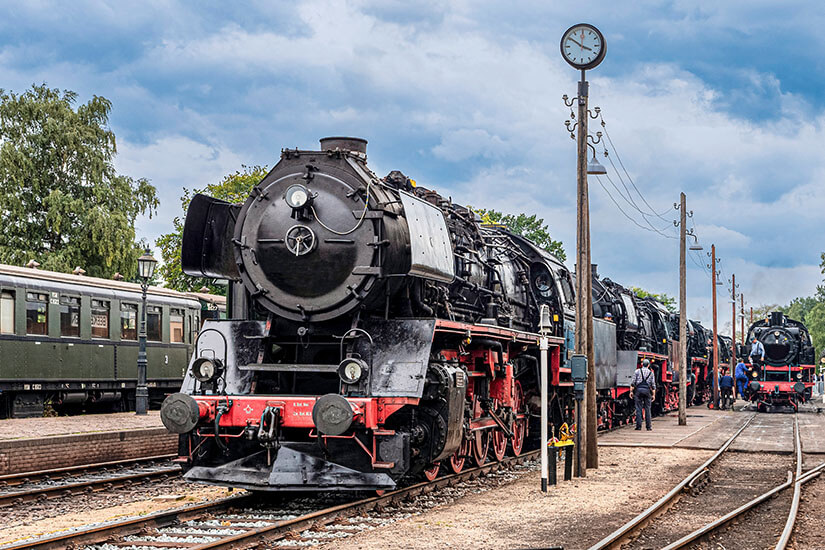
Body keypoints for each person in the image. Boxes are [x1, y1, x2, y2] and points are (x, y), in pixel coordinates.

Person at [631, 358, 656, 431]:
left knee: (638, 409)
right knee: (648, 409)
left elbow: (633, 383)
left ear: (642, 365)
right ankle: (648, 427)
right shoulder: (651, 373)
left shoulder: (637, 371)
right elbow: (653, 385)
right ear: (648, 365)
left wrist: (631, 392)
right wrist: (653, 395)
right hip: (647, 391)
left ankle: (638, 426)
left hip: (638, 390)